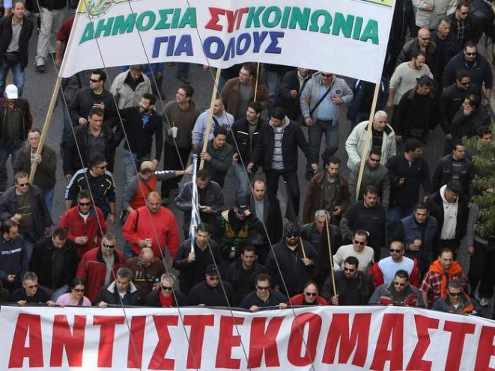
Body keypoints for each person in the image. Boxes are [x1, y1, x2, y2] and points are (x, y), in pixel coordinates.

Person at [248, 107, 317, 220]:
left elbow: (304, 146)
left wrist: (312, 161)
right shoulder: (266, 127)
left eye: (276, 121)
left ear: (283, 120)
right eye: (272, 120)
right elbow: (259, 146)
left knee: (295, 193)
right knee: (270, 195)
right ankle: (272, 218)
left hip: (288, 167)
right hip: (271, 167)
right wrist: (252, 161)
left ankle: (292, 219)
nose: (273, 123)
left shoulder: (294, 128)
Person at [300, 71, 353, 175]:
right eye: (323, 75)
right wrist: (306, 116)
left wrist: (342, 100)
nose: (325, 77)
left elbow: (350, 94)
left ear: (333, 75)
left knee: (333, 145)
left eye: (328, 75)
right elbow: (303, 99)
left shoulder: (341, 83)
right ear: (320, 74)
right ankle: (311, 170)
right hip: (315, 121)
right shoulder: (311, 83)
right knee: (313, 147)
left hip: (332, 122)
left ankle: (326, 158)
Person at [117, 93, 163, 185]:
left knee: (145, 178)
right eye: (141, 101)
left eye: (145, 103)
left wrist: (157, 158)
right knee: (131, 180)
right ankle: (129, 199)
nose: (141, 104)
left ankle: (140, 198)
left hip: (145, 153)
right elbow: (117, 112)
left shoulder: (157, 119)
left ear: (151, 106)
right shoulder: (132, 111)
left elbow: (159, 139)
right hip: (130, 151)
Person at [162, 84, 199, 198]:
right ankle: (164, 194)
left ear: (188, 98)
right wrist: (168, 129)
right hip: (171, 145)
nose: (177, 96)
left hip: (185, 146)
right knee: (168, 169)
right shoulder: (170, 106)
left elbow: (197, 129)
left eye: (181, 94)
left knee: (180, 168)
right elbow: (163, 119)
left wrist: (192, 137)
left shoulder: (195, 112)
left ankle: (174, 185)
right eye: (177, 93)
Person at [62, 107, 119, 178]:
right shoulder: (78, 132)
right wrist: (67, 171)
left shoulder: (108, 133)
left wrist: (110, 170)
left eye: (100, 120)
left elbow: (111, 153)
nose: (98, 123)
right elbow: (68, 150)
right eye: (95, 120)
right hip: (82, 171)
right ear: (89, 118)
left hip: (101, 171)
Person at [265, 223, 317, 296]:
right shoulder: (275, 250)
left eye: (295, 235)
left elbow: (319, 262)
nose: (292, 237)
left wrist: (311, 262)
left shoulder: (307, 246)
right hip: (284, 292)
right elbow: (269, 271)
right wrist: (274, 287)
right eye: (289, 235)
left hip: (304, 292)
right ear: (285, 236)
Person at [122, 191, 180, 258]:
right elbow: (126, 232)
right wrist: (139, 241)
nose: (154, 206)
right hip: (138, 255)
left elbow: (173, 237)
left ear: (161, 202)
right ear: (146, 202)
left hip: (157, 256)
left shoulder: (169, 215)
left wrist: (175, 256)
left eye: (157, 204)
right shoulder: (136, 214)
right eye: (152, 204)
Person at [387, 139, 432, 224]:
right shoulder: (395, 160)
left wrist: (427, 193)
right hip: (395, 202)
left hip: (412, 202)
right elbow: (387, 174)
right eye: (418, 151)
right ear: (410, 151)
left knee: (407, 224)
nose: (421, 152)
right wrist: (396, 180)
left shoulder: (422, 163)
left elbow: (426, 179)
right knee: (394, 223)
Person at [0, 171, 52, 242]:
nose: (25, 186)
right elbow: (1, 212)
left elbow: (44, 209)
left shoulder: (36, 191)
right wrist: (10, 217)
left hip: (35, 229)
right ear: (16, 185)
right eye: (22, 185)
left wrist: (48, 225)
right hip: (18, 232)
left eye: (27, 184)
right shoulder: (7, 196)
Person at [13, 128, 56, 211]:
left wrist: (41, 162)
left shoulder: (50, 152)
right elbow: (16, 169)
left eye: (36, 138)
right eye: (31, 139)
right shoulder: (22, 152)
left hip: (46, 189)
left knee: (46, 213)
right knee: (32, 214)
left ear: (41, 139)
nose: (34, 141)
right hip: (30, 189)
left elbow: (52, 170)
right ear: (28, 140)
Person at [123, 161, 190, 214]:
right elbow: (125, 202)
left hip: (151, 208)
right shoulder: (133, 183)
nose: (147, 175)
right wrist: (134, 213)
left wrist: (184, 172)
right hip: (138, 211)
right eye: (144, 172)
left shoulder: (154, 176)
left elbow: (168, 174)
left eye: (149, 172)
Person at [76, 233, 126, 303]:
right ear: (101, 243)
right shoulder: (89, 256)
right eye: (105, 245)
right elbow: (80, 278)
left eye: (111, 246)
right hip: (92, 295)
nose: (108, 248)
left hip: (112, 296)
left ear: (115, 246)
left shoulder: (120, 257)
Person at [30, 228, 79, 299]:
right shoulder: (40, 246)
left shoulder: (71, 246)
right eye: (58, 243)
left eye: (62, 244)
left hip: (62, 286)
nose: (60, 246)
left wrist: (69, 282)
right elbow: (33, 265)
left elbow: (74, 265)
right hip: (43, 286)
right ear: (53, 237)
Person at [173, 224, 223, 294]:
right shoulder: (186, 246)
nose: (202, 239)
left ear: (209, 236)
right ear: (196, 234)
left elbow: (219, 263)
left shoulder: (213, 246)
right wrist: (187, 260)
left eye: (204, 236)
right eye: (200, 235)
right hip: (188, 284)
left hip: (206, 284)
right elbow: (175, 264)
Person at [0, 84, 32, 192]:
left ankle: (16, 188)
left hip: (18, 142)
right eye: (10, 97)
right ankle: (2, 186)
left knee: (17, 166)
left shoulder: (23, 104)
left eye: (14, 97)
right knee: (0, 165)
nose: (12, 100)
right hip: (3, 143)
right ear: (5, 95)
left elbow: (28, 118)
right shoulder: (0, 105)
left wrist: (27, 133)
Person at [340, 185, 387, 259]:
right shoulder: (355, 208)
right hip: (357, 246)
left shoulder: (381, 210)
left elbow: (383, 228)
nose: (372, 200)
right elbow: (343, 224)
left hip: (374, 247)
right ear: (364, 196)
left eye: (374, 198)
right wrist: (352, 237)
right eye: (369, 198)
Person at [303, 152, 350, 224]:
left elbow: (347, 200)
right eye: (332, 168)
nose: (334, 171)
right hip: (318, 218)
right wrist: (306, 222)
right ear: (327, 167)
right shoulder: (316, 181)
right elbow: (308, 202)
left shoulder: (342, 183)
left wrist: (341, 208)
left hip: (333, 219)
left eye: (336, 169)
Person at [230, 101, 264, 200]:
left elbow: (262, 146)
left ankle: (239, 208)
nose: (248, 114)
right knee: (245, 187)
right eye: (248, 111)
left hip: (255, 163)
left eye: (251, 112)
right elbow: (230, 140)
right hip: (240, 161)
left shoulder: (264, 127)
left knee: (244, 187)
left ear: (258, 114)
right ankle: (242, 208)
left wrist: (253, 161)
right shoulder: (238, 124)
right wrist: (235, 152)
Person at [65, 154, 116, 220]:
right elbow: (69, 194)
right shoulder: (80, 175)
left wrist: (112, 213)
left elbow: (112, 196)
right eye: (102, 167)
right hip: (82, 211)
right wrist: (68, 213)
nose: (105, 169)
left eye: (106, 166)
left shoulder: (108, 177)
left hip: (101, 212)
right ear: (93, 167)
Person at [59, 190, 107, 258]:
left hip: (91, 251)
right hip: (73, 252)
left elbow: (103, 230)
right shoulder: (69, 214)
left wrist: (98, 240)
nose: (85, 206)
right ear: (78, 203)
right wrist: (74, 239)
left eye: (87, 203)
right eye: (82, 204)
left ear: (91, 203)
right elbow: (61, 232)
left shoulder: (98, 212)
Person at [175, 169, 224, 236]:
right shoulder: (188, 187)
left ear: (208, 180)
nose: (202, 186)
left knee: (209, 238)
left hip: (210, 220)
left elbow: (220, 205)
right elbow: (178, 202)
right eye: (200, 184)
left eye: (205, 184)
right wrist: (192, 205)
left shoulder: (215, 187)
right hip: (191, 220)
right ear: (195, 179)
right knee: (190, 239)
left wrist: (212, 209)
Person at [0, 0, 34, 96]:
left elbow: (28, 38)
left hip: (18, 57)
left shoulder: (29, 24)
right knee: (0, 82)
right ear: (13, 10)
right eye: (18, 9)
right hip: (4, 56)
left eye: (22, 9)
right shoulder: (4, 22)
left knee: (20, 84)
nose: (20, 11)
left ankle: (15, 103)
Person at [394, 203, 439, 275]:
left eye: (423, 215)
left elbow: (436, 240)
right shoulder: (404, 223)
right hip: (410, 259)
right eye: (418, 214)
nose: (420, 217)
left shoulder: (433, 222)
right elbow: (394, 242)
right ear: (414, 212)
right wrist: (408, 247)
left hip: (427, 258)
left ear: (428, 214)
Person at [466, 201, 495, 307]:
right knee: (475, 271)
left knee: (491, 272)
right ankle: (469, 291)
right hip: (479, 241)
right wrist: (470, 243)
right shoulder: (478, 204)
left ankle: (485, 294)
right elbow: (470, 224)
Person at [426, 181, 469, 254]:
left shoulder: (462, 201)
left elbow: (464, 220)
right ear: (446, 191)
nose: (455, 197)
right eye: (453, 195)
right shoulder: (433, 201)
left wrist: (460, 236)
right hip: (436, 241)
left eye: (457, 195)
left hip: (453, 242)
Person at [393, 75, 436, 143]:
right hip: (407, 130)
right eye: (426, 88)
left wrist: (430, 127)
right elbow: (399, 114)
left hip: (422, 131)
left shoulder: (431, 97)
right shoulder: (408, 97)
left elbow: (433, 113)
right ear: (419, 86)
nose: (428, 91)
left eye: (429, 88)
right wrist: (398, 132)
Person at [248, 178, 283, 260]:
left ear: (265, 189)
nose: (260, 193)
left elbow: (278, 224)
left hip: (267, 243)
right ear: (252, 189)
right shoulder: (246, 202)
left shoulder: (273, 202)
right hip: (250, 243)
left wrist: (276, 244)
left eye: (262, 190)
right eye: (257, 190)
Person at [439, 70, 478, 141]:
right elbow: (442, 114)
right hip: (454, 125)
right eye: (464, 83)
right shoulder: (448, 93)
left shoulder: (473, 88)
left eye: (469, 83)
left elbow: (477, 103)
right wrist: (447, 131)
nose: (467, 85)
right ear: (457, 81)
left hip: (468, 123)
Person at [34, 0, 66, 73]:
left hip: (61, 7)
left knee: (57, 31)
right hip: (46, 7)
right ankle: (40, 59)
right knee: (45, 33)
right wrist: (36, 9)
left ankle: (52, 49)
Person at [0, 220, 29, 290]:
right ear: (5, 233)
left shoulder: (20, 240)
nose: (17, 234)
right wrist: (5, 276)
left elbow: (24, 260)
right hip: (2, 282)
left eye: (17, 232)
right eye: (13, 233)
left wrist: (23, 276)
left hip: (19, 280)